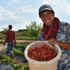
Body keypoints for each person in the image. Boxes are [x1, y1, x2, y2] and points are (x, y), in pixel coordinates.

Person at [38, 4, 70, 70]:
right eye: (42, 15)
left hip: (67, 65)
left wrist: (58, 43)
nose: (46, 17)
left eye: (48, 14)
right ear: (40, 18)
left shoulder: (65, 27)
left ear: (53, 14)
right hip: (51, 67)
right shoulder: (41, 36)